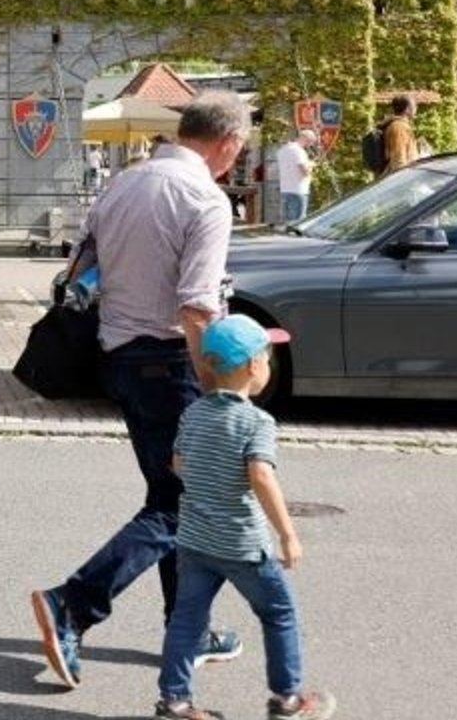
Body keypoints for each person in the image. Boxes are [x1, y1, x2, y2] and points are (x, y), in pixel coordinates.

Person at [29, 89, 250, 690]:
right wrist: (218, 393)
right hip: (171, 362)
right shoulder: (205, 199)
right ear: (227, 143)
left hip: (120, 357)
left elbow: (79, 268)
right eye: (241, 148)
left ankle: (189, 629)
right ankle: (74, 602)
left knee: (172, 493)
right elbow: (198, 307)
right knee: (183, 504)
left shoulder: (126, 182)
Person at [153, 315, 336, 720]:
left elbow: (179, 463)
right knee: (278, 613)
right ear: (254, 366)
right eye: (268, 357)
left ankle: (174, 702)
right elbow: (260, 475)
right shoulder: (256, 421)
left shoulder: (193, 414)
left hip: (195, 540)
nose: (268, 365)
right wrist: (287, 533)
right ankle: (288, 699)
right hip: (242, 544)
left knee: (185, 620)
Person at [273, 130, 315, 222]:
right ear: (306, 138)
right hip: (298, 191)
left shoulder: (282, 150)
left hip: (285, 190)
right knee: (298, 223)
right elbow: (305, 171)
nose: (310, 145)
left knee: (287, 221)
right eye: (311, 141)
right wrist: (311, 164)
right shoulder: (299, 151)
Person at [377, 94, 417, 175]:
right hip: (402, 177)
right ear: (407, 109)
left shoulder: (400, 125)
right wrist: (403, 178)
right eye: (414, 106)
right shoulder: (399, 127)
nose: (416, 109)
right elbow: (399, 158)